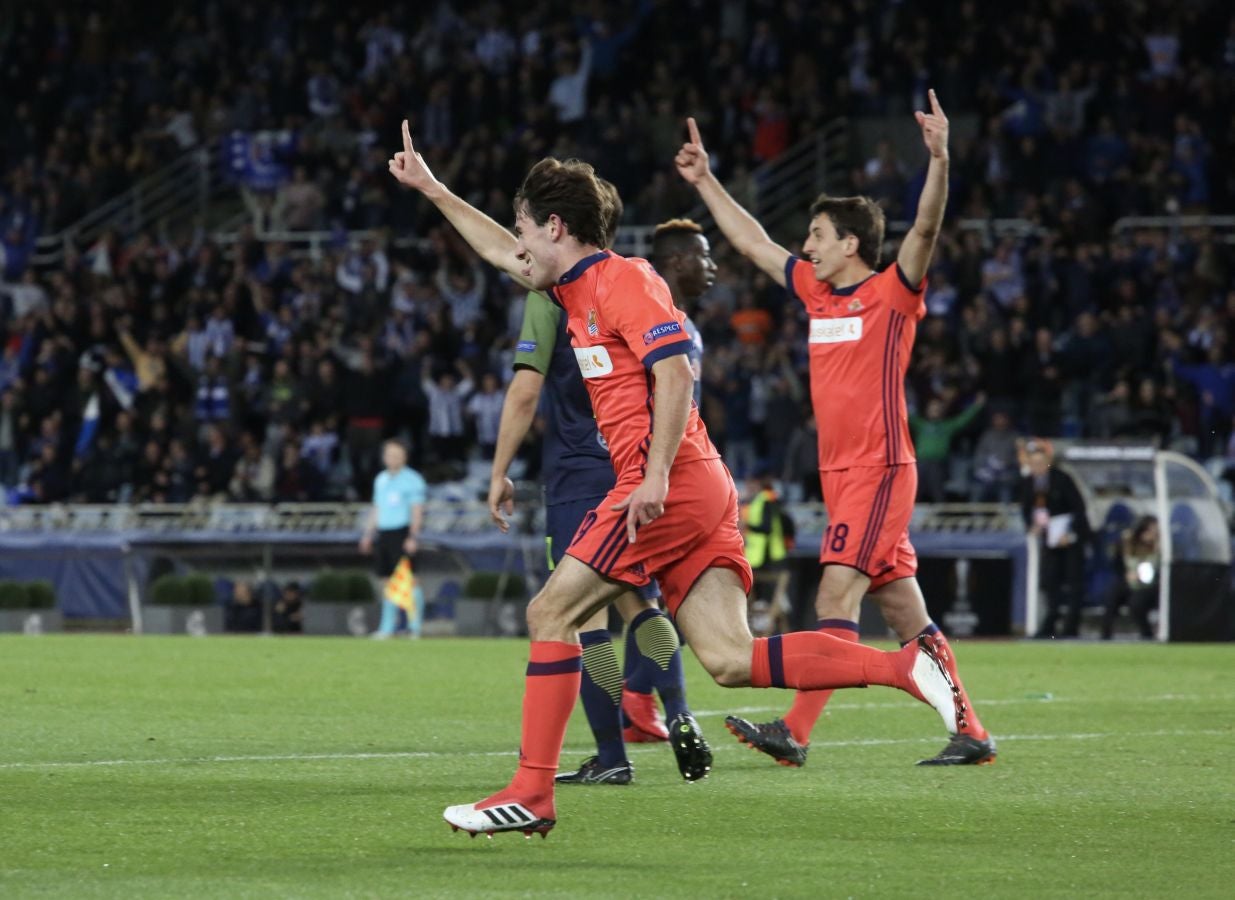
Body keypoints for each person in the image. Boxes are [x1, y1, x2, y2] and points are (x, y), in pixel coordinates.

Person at [390, 121, 964, 838]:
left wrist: (653, 474)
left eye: (525, 228)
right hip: (690, 486)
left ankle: (531, 795)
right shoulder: (572, 288)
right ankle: (904, 668)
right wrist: (431, 187)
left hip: (663, 487)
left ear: (556, 226)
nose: (518, 244)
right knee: (728, 659)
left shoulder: (623, 279)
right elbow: (496, 248)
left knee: (549, 614)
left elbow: (674, 372)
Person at [678, 93, 995, 768]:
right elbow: (752, 242)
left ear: (850, 244)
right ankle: (970, 731)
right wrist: (705, 180)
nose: (806, 246)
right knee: (908, 617)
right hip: (845, 475)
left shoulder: (890, 293)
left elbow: (927, 231)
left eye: (817, 236)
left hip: (879, 469)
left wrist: (938, 158)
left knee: (833, 592)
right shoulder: (816, 294)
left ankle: (794, 730)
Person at [486, 205, 710, 787]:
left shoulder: (549, 297)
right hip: (631, 467)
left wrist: (500, 468)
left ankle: (610, 755)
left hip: (576, 471)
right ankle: (680, 711)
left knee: (579, 619)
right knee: (642, 603)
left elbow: (525, 388)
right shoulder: (647, 297)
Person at [1019, 441, 1091, 638]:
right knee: (1050, 582)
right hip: (1048, 540)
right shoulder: (1028, 483)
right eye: (1033, 463)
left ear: (1048, 462)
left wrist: (1070, 533)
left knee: (1074, 582)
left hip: (1069, 539)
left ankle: (1071, 627)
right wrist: (1032, 525)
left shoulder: (1062, 479)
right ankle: (1050, 624)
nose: (1037, 467)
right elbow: (1026, 510)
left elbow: (1079, 509)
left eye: (1041, 462)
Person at [359, 440, 427, 639]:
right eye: (389, 454)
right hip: (384, 533)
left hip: (402, 532)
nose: (392, 458)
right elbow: (376, 508)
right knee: (386, 581)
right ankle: (387, 627)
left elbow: (417, 510)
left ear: (404, 457)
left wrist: (413, 536)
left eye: (396, 454)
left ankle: (415, 627)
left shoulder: (413, 480)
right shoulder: (380, 479)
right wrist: (368, 534)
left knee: (410, 580)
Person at [1101, 515, 1160, 640]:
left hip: (1150, 586)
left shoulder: (1159, 547)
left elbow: (1156, 569)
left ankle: (1147, 635)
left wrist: (1140, 575)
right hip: (1130, 581)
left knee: (1136, 603)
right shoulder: (1129, 544)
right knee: (1112, 594)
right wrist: (1126, 575)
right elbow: (1117, 564)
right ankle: (1105, 636)